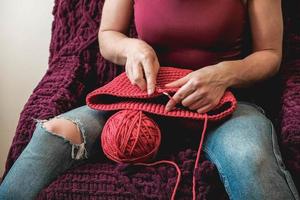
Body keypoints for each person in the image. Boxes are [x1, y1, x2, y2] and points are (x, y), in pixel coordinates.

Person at [0, 0, 299, 199]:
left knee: (250, 157)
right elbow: (108, 34)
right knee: (52, 134)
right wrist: (132, 48)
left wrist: (224, 74)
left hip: (223, 103)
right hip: (141, 98)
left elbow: (270, 55)